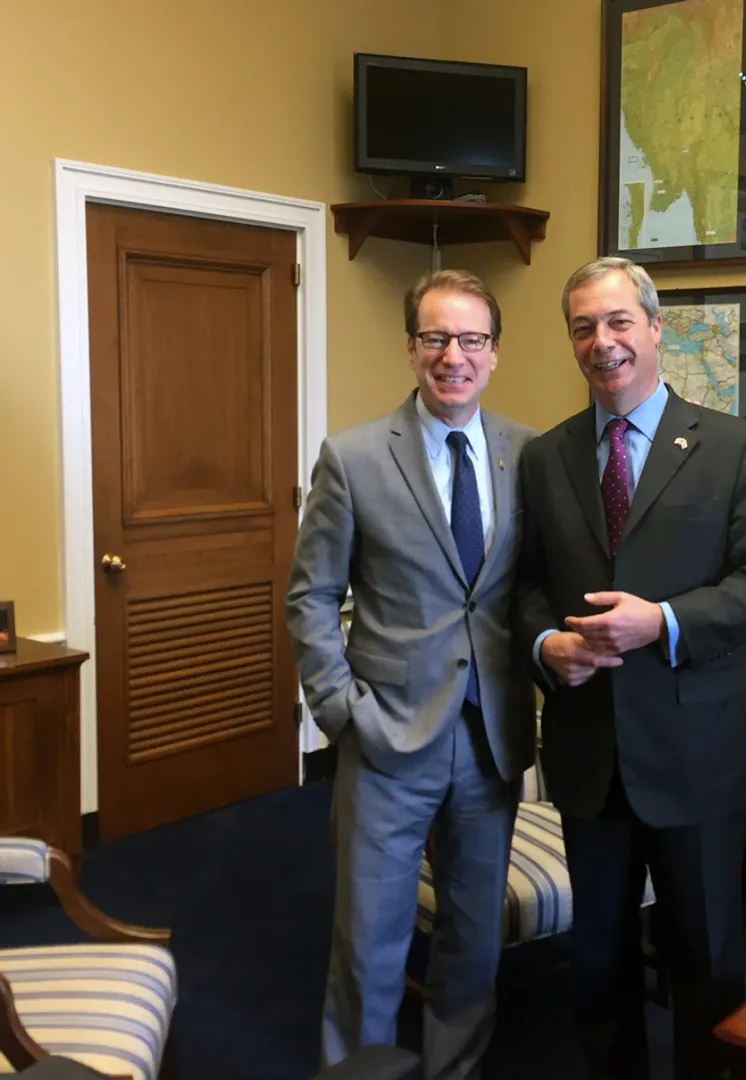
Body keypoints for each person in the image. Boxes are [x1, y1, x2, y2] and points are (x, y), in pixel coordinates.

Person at [516, 257, 746, 1079]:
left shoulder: (735, 447)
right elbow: (527, 585)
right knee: (598, 964)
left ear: (655, 328)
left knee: (705, 961)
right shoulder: (545, 457)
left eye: (617, 322)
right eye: (582, 327)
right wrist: (545, 646)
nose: (601, 342)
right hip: (589, 757)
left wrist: (665, 621)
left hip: (694, 759)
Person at [286, 269, 536, 1078]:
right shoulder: (353, 457)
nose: (452, 356)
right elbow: (311, 595)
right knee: (369, 939)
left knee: (473, 936)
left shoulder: (528, 455)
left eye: (470, 339)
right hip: (386, 732)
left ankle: (454, 1068)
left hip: (491, 736)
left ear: (494, 352)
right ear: (410, 348)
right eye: (436, 337)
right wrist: (338, 708)